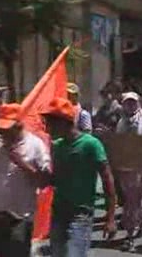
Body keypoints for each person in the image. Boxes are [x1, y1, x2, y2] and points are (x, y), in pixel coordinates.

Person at [0, 103, 51, 257]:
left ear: (18, 125)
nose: (2, 132)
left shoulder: (35, 145)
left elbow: (44, 181)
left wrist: (20, 162)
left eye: (6, 128)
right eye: (0, 128)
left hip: (19, 217)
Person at [41, 97, 117, 257]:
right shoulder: (57, 146)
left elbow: (107, 180)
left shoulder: (91, 144)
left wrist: (110, 218)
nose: (47, 128)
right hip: (59, 213)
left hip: (81, 214)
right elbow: (54, 179)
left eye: (49, 123)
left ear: (63, 122)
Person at [116, 91, 142, 251]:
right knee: (133, 201)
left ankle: (129, 236)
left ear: (138, 103)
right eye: (127, 102)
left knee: (133, 202)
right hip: (125, 167)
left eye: (133, 102)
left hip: (140, 168)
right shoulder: (121, 122)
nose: (130, 105)